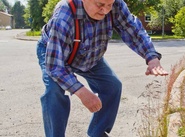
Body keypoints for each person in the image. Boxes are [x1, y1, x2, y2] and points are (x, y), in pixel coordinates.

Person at [36, 0, 168, 136]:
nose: (105, 11)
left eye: (109, 5)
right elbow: (55, 67)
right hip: (57, 55)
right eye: (100, 5)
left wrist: (151, 57)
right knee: (54, 91)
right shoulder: (65, 13)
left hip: (90, 54)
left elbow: (133, 30)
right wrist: (81, 92)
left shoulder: (116, 5)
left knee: (112, 86)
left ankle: (97, 133)